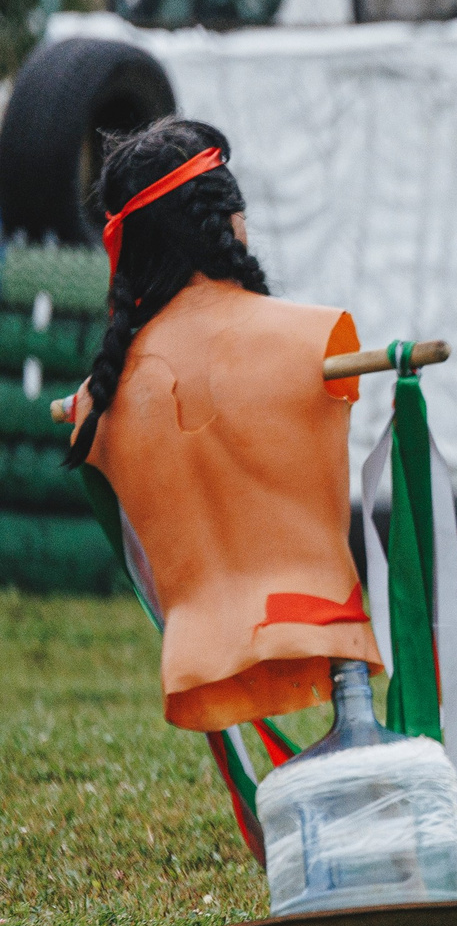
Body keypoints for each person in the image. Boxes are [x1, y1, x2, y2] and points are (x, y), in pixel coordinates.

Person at [65, 119, 384, 734]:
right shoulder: (314, 338)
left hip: (194, 653)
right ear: (230, 224)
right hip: (320, 625)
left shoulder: (97, 402)